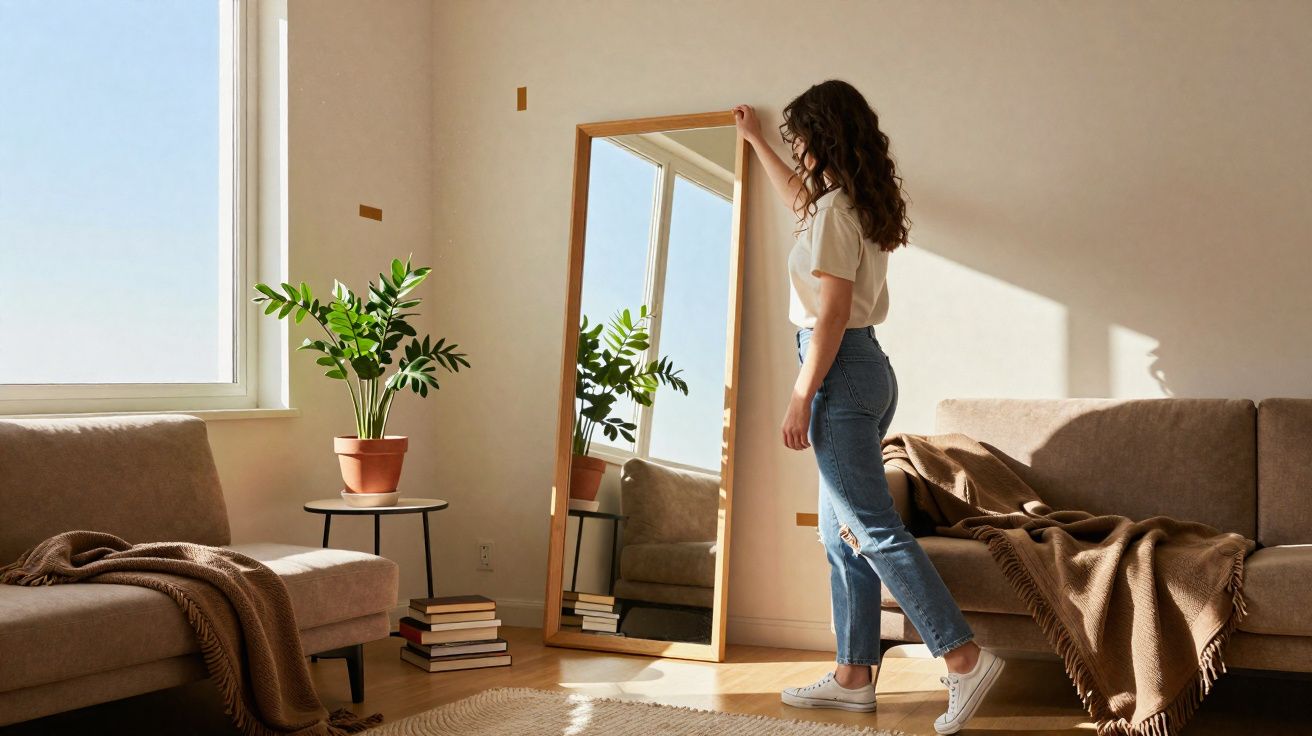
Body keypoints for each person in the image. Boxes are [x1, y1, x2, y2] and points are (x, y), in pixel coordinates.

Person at [733, 82, 1004, 736]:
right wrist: (756, 141)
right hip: (867, 371)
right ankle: (854, 676)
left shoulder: (835, 214)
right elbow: (801, 199)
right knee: (840, 533)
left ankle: (964, 658)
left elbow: (829, 313)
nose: (795, 152)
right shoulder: (847, 206)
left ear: (823, 138)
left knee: (873, 529)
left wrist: (802, 394)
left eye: (798, 140)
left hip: (838, 372)